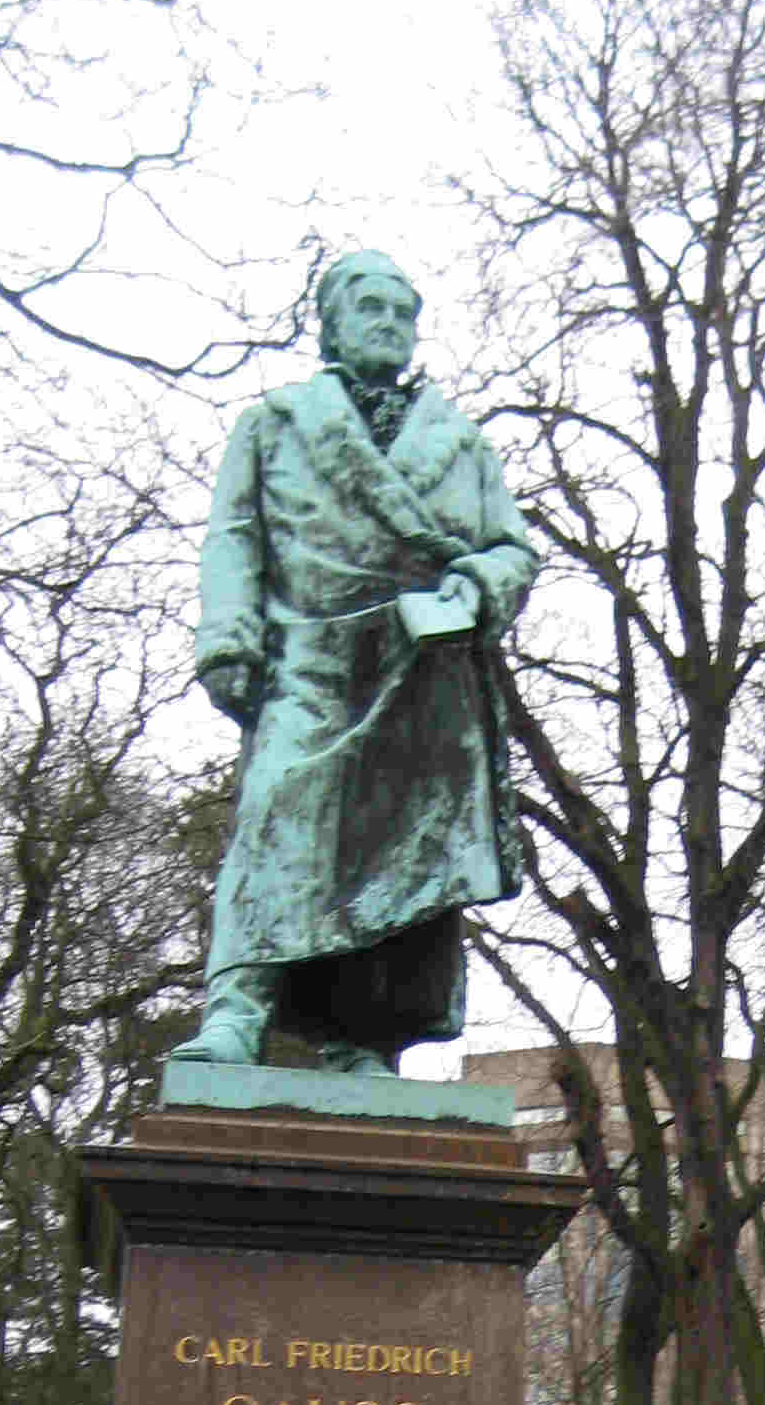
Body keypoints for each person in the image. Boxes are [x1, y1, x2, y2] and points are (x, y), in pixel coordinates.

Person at [180, 250, 537, 1073]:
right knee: (275, 821)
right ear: (331, 325)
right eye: (370, 308)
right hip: (308, 656)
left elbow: (512, 551)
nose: (388, 325)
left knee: (397, 862)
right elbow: (234, 537)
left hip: (419, 666)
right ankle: (236, 1012)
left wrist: (477, 584)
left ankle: (363, 1040)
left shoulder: (462, 444)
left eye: (402, 313)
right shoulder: (274, 423)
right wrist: (228, 639)